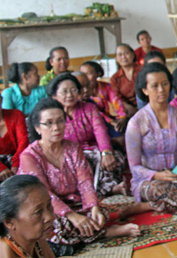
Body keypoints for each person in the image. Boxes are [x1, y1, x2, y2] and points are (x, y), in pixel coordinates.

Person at [19, 99, 140, 252]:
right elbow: (45, 194)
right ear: (37, 128)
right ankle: (105, 233)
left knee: (100, 213)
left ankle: (88, 232)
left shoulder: (73, 149)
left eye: (60, 121)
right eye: (48, 123)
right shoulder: (29, 156)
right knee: (53, 227)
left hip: (73, 203)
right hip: (46, 209)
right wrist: (72, 216)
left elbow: (85, 183)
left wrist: (94, 207)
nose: (56, 127)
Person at [125, 63, 177, 215]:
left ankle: (157, 205)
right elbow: (134, 167)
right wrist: (157, 175)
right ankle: (149, 205)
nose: (161, 90)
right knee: (161, 189)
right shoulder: (136, 123)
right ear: (145, 90)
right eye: (155, 86)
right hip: (151, 180)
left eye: (164, 84)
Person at [47, 73, 126, 197]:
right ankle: (108, 189)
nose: (70, 95)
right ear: (55, 95)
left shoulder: (89, 108)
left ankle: (103, 189)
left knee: (115, 159)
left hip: (94, 150)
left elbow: (100, 130)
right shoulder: (51, 114)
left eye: (73, 90)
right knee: (81, 167)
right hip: (68, 154)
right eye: (64, 92)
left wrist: (106, 152)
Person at [0, 175, 56, 258]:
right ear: (9, 222)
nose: (50, 217)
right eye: (38, 212)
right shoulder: (5, 254)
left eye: (49, 206)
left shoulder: (37, 239)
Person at [79, 61, 131, 136]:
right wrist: (112, 122)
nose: (85, 77)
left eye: (89, 73)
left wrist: (122, 117)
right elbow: (96, 113)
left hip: (108, 121)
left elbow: (116, 102)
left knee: (126, 129)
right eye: (83, 74)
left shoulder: (106, 87)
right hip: (91, 124)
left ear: (98, 74)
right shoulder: (81, 93)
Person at [0, 101, 29, 184]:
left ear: (1, 100)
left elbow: (23, 141)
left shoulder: (16, 114)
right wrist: (1, 168)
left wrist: (16, 164)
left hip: (18, 156)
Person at [109, 44, 141, 115]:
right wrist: (128, 107)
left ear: (133, 55)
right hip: (128, 111)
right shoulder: (115, 78)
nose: (123, 57)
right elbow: (116, 97)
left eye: (126, 53)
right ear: (117, 59)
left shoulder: (143, 70)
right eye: (120, 55)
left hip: (147, 106)